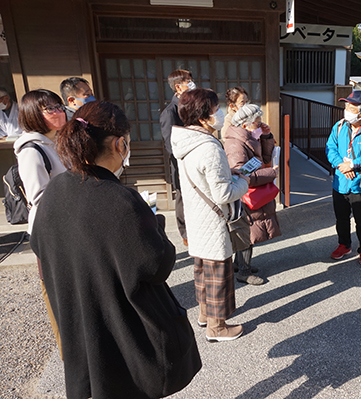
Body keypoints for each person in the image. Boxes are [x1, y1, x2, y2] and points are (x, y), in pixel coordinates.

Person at [30, 101, 201, 399]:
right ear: (120, 143)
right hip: (125, 336)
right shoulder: (123, 200)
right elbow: (157, 264)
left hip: (80, 327)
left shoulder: (55, 190)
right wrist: (156, 225)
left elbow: (39, 245)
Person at [171, 88, 249, 342]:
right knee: (218, 273)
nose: (221, 113)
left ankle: (205, 315)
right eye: (216, 110)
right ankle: (218, 327)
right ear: (204, 118)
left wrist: (229, 176)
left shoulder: (185, 142)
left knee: (203, 270)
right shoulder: (209, 147)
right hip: (213, 219)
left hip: (197, 216)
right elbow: (223, 193)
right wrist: (244, 182)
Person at [14, 89, 69, 358]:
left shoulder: (56, 142)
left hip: (69, 227)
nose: (59, 112)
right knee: (58, 293)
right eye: (51, 109)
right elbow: (40, 197)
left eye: (59, 106)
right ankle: (69, 354)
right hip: (52, 233)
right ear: (34, 115)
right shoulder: (32, 149)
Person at [325, 90, 361, 267]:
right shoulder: (339, 126)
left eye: (351, 108)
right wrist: (341, 166)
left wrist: (353, 165)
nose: (347, 111)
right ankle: (344, 245)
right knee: (341, 217)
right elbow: (330, 148)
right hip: (341, 182)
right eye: (346, 107)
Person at [224, 103, 281, 285]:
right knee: (248, 231)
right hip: (245, 193)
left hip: (251, 191)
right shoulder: (235, 144)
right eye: (257, 122)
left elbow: (264, 158)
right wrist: (272, 172)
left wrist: (266, 136)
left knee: (250, 228)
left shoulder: (249, 137)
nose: (259, 124)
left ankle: (238, 263)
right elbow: (242, 173)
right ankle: (244, 271)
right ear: (245, 125)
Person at [160, 69, 196, 246]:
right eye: (188, 81)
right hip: (181, 163)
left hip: (196, 159)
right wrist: (182, 166)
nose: (191, 83)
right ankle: (186, 234)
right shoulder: (170, 112)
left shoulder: (190, 106)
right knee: (182, 198)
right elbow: (170, 145)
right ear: (178, 86)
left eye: (191, 80)